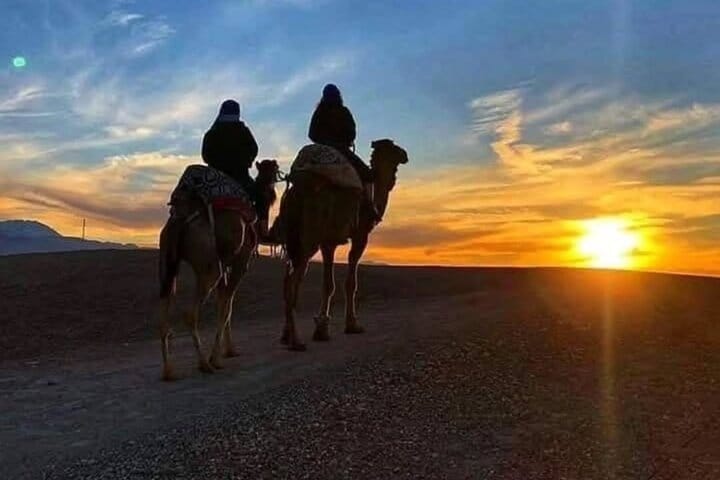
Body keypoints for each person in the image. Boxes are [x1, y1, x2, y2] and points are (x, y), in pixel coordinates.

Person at [308, 84, 381, 222]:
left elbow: (312, 134)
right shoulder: (342, 112)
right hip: (339, 150)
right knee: (367, 174)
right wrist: (339, 142)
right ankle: (369, 206)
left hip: (321, 149)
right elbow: (351, 133)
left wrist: (324, 141)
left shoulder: (320, 112)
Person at [201, 99, 269, 235]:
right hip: (240, 178)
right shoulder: (243, 131)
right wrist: (245, 161)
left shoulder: (212, 132)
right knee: (262, 196)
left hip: (214, 178)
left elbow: (205, 155)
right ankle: (262, 227)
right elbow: (254, 149)